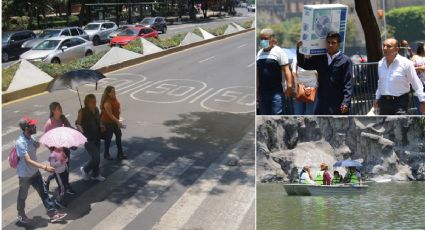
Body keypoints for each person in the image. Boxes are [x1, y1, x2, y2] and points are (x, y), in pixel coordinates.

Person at [15, 116, 67, 224]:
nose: (35, 126)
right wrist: (45, 167)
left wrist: (48, 139)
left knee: (44, 193)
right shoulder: (20, 143)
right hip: (25, 175)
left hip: (35, 172)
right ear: (26, 129)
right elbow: (28, 160)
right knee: (22, 196)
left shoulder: (31, 138)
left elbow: (37, 145)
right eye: (32, 125)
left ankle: (53, 214)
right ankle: (20, 214)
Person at [296, 32, 353, 115]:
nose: (330, 45)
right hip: (322, 103)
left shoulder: (345, 61)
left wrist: (346, 102)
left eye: (333, 43)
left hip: (338, 103)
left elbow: (348, 84)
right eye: (328, 42)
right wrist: (299, 49)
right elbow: (304, 64)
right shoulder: (320, 58)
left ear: (338, 44)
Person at [373, 38, 425, 115]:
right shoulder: (380, 63)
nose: (384, 48)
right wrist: (377, 98)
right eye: (383, 46)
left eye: (388, 46)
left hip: (400, 101)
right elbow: (381, 82)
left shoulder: (406, 63)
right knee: (385, 127)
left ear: (396, 49)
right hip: (384, 102)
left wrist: (422, 101)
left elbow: (415, 83)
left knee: (400, 126)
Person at [256, 28, 293, 115]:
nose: (263, 41)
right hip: (262, 93)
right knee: (264, 116)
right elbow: (257, 73)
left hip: (276, 93)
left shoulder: (279, 52)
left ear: (272, 39)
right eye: (261, 39)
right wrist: (256, 91)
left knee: (277, 115)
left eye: (265, 38)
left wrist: (290, 86)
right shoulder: (259, 53)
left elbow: (286, 70)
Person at [43, 102, 76, 195]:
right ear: (53, 110)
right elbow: (45, 140)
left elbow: (70, 129)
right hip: (57, 152)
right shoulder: (49, 123)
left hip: (66, 148)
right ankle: (64, 188)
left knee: (65, 169)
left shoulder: (63, 119)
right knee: (59, 170)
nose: (61, 109)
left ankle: (64, 185)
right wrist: (55, 148)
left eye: (61, 107)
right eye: (58, 108)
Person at [76, 94, 106, 182]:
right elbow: (78, 124)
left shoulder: (96, 109)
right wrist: (80, 128)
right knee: (96, 157)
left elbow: (99, 120)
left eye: (95, 101)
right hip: (88, 139)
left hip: (96, 136)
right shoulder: (82, 111)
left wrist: (101, 125)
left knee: (95, 158)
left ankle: (95, 175)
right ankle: (85, 169)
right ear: (87, 102)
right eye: (92, 102)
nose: (94, 103)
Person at [100, 86, 127, 160]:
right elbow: (110, 115)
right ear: (108, 93)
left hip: (115, 121)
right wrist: (118, 122)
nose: (114, 92)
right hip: (108, 122)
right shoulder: (107, 103)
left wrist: (119, 117)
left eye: (114, 91)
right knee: (108, 138)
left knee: (119, 134)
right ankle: (106, 154)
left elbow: (117, 107)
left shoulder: (114, 98)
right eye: (112, 91)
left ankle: (120, 154)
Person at [411, 43, 425, 115]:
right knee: (419, 102)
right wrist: (420, 68)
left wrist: (417, 68)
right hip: (418, 83)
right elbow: (410, 68)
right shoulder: (415, 57)